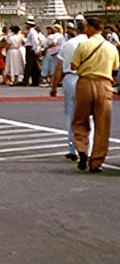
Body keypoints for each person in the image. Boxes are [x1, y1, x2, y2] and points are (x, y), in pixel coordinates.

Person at [69, 17, 119, 172]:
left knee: (80, 120)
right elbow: (115, 69)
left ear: (91, 28)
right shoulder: (111, 48)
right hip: (104, 84)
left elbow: (73, 65)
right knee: (102, 124)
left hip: (85, 82)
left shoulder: (84, 45)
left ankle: (82, 150)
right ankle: (96, 161)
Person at [52, 19, 86, 162]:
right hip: (89, 79)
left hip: (71, 78)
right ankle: (87, 149)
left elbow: (59, 66)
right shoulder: (99, 43)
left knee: (71, 115)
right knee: (89, 116)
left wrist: (54, 86)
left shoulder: (69, 44)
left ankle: (73, 149)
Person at [23, 17, 42, 86]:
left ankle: (26, 80)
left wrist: (36, 50)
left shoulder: (32, 32)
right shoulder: (31, 32)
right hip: (31, 48)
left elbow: (35, 42)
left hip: (31, 49)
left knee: (29, 65)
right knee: (34, 66)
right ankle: (35, 80)